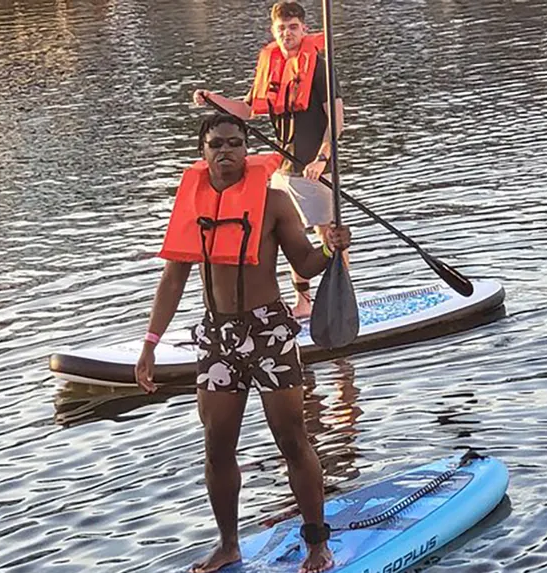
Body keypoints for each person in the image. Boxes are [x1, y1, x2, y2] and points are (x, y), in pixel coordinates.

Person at [135, 114, 349, 573]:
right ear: (203, 151)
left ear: (247, 151)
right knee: (217, 445)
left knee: (292, 439)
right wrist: (150, 344)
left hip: (268, 331)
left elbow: (307, 263)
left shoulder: (273, 202)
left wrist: (330, 247)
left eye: (235, 144)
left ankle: (316, 543)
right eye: (216, 144)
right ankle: (229, 544)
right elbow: (172, 280)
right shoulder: (192, 203)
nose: (226, 152)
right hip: (216, 337)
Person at [193, 0, 345, 319]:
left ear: (304, 28)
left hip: (313, 168)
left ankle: (344, 298)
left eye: (293, 27)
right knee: (291, 240)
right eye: (281, 29)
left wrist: (322, 158)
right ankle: (304, 302)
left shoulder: (318, 66)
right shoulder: (270, 64)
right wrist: (212, 99)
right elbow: (246, 110)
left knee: (328, 235)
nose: (287, 34)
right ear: (273, 31)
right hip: (284, 168)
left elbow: (337, 120)